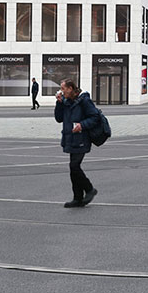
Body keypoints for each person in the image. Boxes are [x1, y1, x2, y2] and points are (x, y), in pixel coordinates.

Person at [53, 79, 100, 208]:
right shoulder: (66, 101)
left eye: (63, 88)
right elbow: (58, 118)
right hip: (70, 138)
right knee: (73, 169)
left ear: (71, 88)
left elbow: (95, 117)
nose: (61, 91)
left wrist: (82, 125)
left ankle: (89, 189)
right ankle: (77, 198)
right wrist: (59, 104)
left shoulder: (84, 100)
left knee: (74, 166)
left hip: (81, 138)